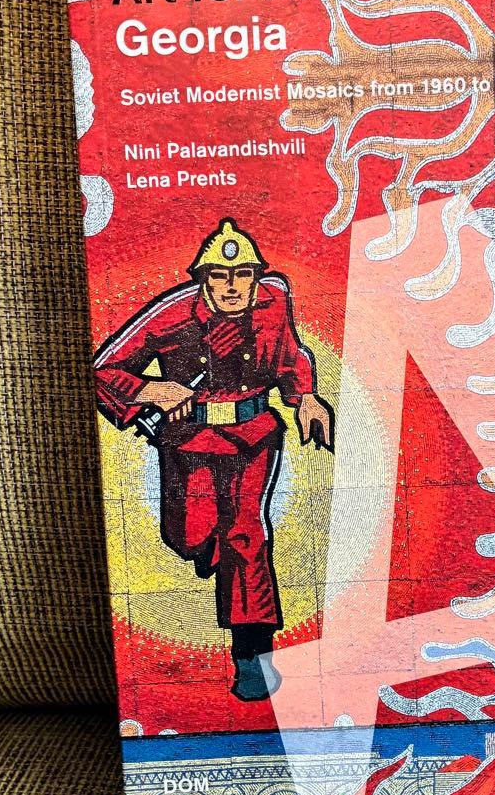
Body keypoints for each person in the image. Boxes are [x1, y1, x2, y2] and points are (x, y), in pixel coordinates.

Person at [93, 219, 333, 701]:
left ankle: (252, 656)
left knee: (245, 533)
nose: (232, 286)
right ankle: (219, 560)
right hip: (188, 440)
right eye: (219, 276)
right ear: (203, 279)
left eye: (243, 274)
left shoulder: (274, 301)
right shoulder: (172, 315)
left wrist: (305, 397)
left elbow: (289, 355)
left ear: (256, 276)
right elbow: (102, 369)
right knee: (188, 534)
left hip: (252, 437)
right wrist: (151, 389)